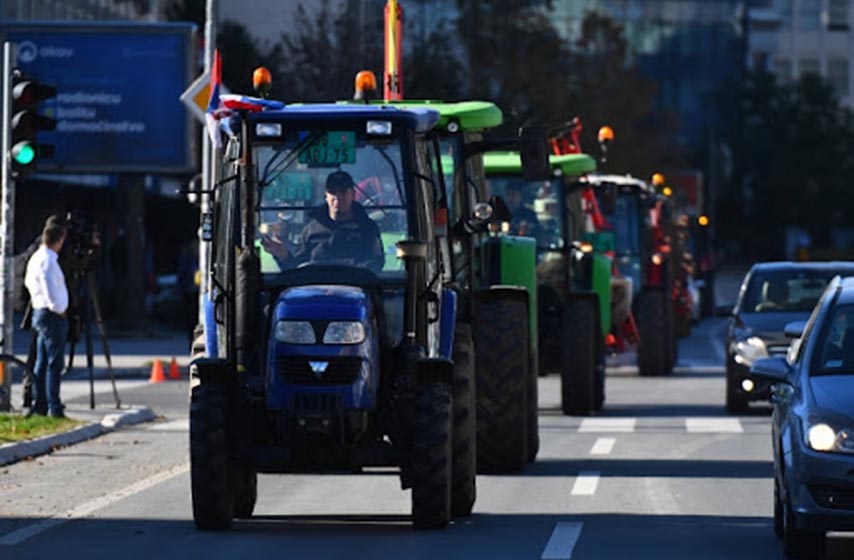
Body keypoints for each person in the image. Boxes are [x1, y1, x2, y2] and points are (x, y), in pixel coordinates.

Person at [261, 170, 385, 273]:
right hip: (314, 294)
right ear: (326, 195)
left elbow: (375, 264)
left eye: (343, 191)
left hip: (355, 292)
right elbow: (296, 270)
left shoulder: (367, 228)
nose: (338, 197)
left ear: (353, 194)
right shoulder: (310, 230)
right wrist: (283, 256)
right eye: (333, 192)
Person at [24, 222, 70, 418]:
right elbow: (50, 288)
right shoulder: (49, 261)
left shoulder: (36, 258)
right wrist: (59, 309)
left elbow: (28, 282)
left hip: (39, 311)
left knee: (41, 361)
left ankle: (40, 402)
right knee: (54, 362)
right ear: (58, 240)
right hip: (51, 314)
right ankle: (54, 405)